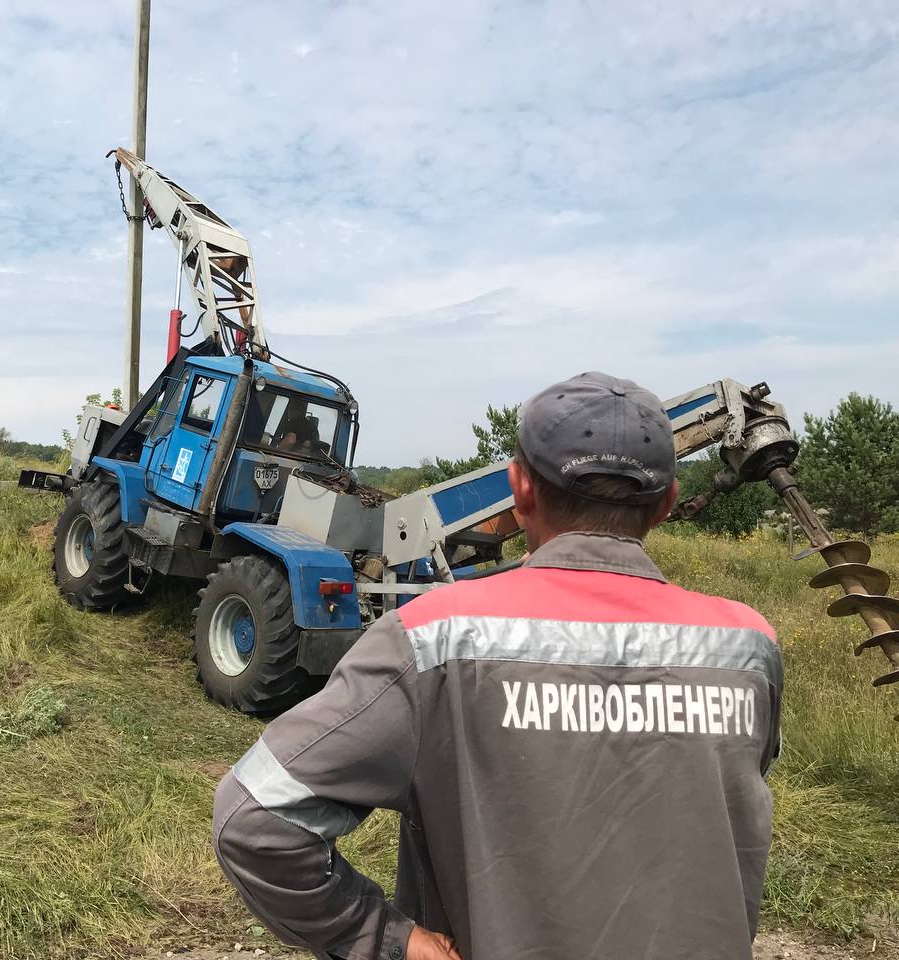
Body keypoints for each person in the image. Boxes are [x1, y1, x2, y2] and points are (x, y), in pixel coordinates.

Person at [213, 372, 783, 960]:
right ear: (666, 502)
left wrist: (388, 940)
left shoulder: (431, 642)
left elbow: (253, 816)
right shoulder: (749, 647)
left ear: (519, 489)